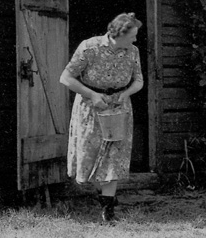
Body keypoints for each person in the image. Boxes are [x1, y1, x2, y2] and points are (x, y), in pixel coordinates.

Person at [59, 12, 144, 222]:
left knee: (114, 156)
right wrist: (92, 95)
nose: (135, 40)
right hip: (91, 109)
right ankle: (104, 195)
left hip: (119, 109)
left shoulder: (133, 52)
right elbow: (66, 77)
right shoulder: (89, 47)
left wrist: (126, 94)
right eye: (132, 35)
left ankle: (108, 210)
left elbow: (138, 80)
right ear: (119, 33)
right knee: (90, 155)